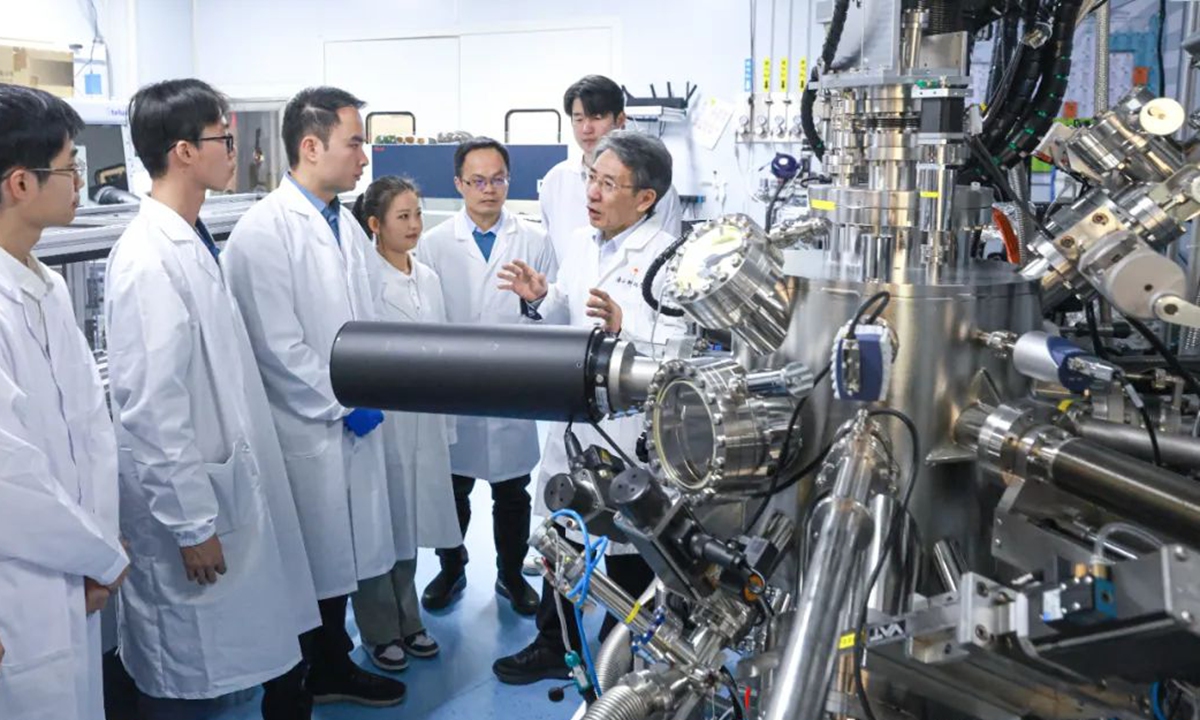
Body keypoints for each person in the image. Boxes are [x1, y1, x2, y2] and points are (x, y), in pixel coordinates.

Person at [105, 78, 322, 719]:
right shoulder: (148, 259)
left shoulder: (191, 237)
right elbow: (150, 407)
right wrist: (192, 523)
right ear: (182, 152)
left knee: (230, 659)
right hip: (190, 514)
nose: (235, 150)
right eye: (222, 139)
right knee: (182, 681)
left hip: (221, 491)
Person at [223, 86, 406, 707]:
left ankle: (331, 665)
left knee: (339, 564)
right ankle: (302, 679)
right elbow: (278, 347)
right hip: (304, 428)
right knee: (307, 567)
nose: (364, 157)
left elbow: (362, 319)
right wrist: (342, 403)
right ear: (310, 145)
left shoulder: (342, 224)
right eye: (355, 142)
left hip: (345, 422)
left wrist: (371, 384)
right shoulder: (262, 232)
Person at [494, 130, 687, 684]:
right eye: (591, 179)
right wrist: (540, 296)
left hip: (629, 437)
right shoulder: (581, 240)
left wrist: (628, 330)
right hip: (573, 422)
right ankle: (553, 642)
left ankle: (621, 654)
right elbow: (567, 310)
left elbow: (681, 354)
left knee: (628, 548)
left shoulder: (667, 259)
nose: (594, 192)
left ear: (645, 198)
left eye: (608, 183)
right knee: (561, 536)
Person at [0, 82, 130, 719]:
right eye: (69, 166)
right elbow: (9, 479)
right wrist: (100, 554)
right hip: (21, 588)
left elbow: (84, 436)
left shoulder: (43, 284)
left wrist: (97, 553)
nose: (80, 180)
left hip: (72, 577)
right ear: (20, 184)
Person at [416, 138, 555, 616]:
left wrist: (535, 303)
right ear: (458, 184)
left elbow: (552, 312)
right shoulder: (433, 244)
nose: (488, 189)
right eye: (477, 180)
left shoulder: (534, 241)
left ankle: (511, 576)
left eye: (498, 179)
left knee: (512, 491)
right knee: (453, 488)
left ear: (508, 182)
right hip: (454, 386)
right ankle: (451, 568)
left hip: (512, 386)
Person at [349, 176, 460, 672]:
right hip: (384, 421)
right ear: (375, 225)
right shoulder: (363, 279)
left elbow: (444, 351)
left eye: (418, 214)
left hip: (425, 419)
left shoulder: (428, 277)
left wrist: (448, 424)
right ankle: (378, 629)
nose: (415, 225)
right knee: (380, 525)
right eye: (403, 216)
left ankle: (408, 618)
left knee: (411, 520)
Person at [539, 75, 682, 276]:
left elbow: (668, 265)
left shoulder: (655, 189)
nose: (586, 129)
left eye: (596, 117)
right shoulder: (555, 181)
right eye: (578, 119)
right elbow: (551, 259)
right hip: (569, 301)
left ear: (620, 120)